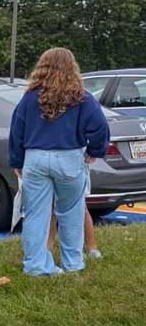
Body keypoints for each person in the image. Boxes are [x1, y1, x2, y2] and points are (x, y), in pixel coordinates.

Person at [9, 48, 109, 275]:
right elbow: (100, 127)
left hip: (35, 157)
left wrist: (16, 159)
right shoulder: (82, 97)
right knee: (71, 212)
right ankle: (73, 263)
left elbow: (17, 130)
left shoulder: (29, 98)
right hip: (69, 156)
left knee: (36, 213)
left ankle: (35, 266)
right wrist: (95, 150)